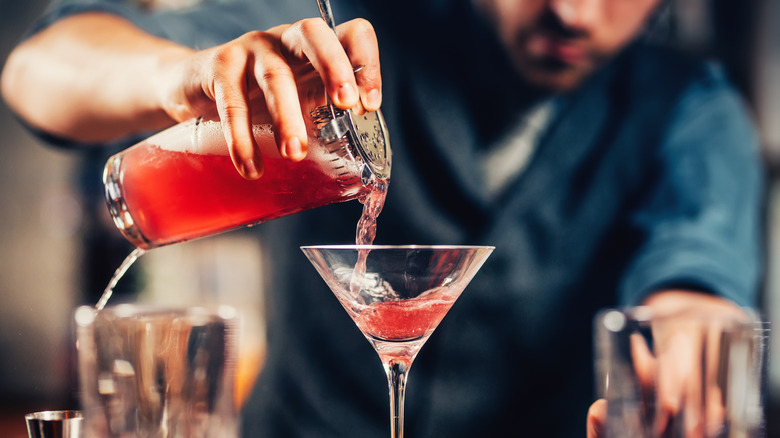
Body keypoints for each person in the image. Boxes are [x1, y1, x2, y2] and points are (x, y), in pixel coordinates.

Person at [1, 0, 764, 436]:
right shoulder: (347, 39)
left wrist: (685, 345)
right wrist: (175, 74)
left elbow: (694, 274)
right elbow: (37, 69)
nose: (571, 10)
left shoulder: (693, 111)